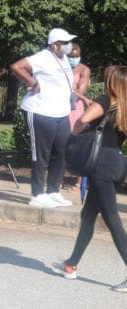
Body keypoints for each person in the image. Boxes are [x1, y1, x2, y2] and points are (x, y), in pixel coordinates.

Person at [51, 65, 127, 292]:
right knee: (88, 216)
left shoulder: (106, 100)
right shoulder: (124, 106)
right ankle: (71, 265)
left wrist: (75, 133)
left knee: (113, 221)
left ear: (111, 82)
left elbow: (82, 120)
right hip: (116, 163)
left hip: (100, 166)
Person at [11, 28, 76, 208]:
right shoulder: (42, 57)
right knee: (40, 154)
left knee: (62, 151)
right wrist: (32, 82)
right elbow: (17, 67)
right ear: (55, 45)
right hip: (40, 111)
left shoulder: (63, 59)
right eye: (65, 43)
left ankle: (53, 191)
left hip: (60, 113)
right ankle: (37, 194)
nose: (69, 46)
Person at [66, 43, 92, 191]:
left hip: (76, 109)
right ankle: (56, 180)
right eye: (71, 56)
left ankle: (78, 183)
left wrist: (70, 89)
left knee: (77, 145)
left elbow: (80, 90)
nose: (73, 59)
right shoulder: (61, 67)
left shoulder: (84, 70)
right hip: (59, 108)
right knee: (61, 145)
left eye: (76, 56)